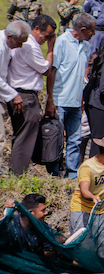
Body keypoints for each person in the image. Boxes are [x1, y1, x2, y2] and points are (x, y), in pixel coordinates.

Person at [7, 15, 56, 175]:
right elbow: (46, 69)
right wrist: (50, 48)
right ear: (36, 29)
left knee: (21, 134)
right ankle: (18, 174)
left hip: (19, 93)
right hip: (26, 95)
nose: (46, 39)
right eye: (46, 35)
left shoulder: (25, 44)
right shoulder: (30, 46)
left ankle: (16, 172)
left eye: (50, 37)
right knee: (25, 136)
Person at [49, 13, 95, 177]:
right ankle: (54, 172)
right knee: (56, 139)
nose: (93, 34)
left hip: (76, 101)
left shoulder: (86, 46)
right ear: (83, 29)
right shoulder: (62, 41)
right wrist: (50, 99)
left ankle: (72, 173)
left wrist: (81, 98)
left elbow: (82, 74)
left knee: (75, 139)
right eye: (91, 31)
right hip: (60, 99)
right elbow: (52, 71)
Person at [0, 21, 29, 163]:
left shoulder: (6, 46)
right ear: (9, 36)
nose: (20, 46)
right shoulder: (0, 47)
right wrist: (13, 95)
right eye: (19, 42)